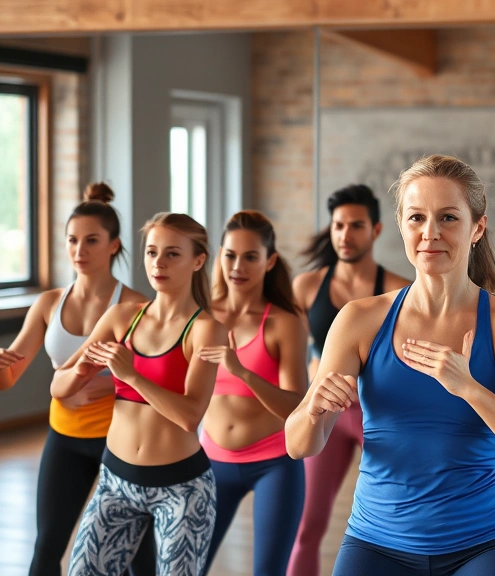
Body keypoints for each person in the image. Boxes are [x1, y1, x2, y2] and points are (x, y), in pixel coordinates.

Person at [285, 154, 495, 576]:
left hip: (488, 543)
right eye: (416, 217)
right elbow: (298, 444)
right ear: (400, 225)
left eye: (448, 218)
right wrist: (314, 409)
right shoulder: (360, 319)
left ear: (478, 228)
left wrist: (471, 388)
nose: (430, 233)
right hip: (376, 542)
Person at [53, 212, 227, 576]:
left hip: (182, 489)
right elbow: (58, 387)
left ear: (198, 260)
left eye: (172, 254)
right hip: (115, 482)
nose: (158, 263)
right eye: (151, 252)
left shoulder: (206, 330)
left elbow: (190, 415)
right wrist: (82, 370)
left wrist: (131, 375)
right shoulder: (121, 317)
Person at [0, 183, 155, 576]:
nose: (79, 251)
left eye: (91, 241)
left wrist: (104, 383)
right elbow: (9, 374)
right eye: (72, 241)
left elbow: (158, 378)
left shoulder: (137, 307)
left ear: (114, 245)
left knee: (139, 554)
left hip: (121, 441)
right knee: (47, 547)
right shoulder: (49, 303)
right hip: (64, 437)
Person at [287, 184, 409, 576]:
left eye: (356, 226)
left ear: (375, 230)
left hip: (380, 414)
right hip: (328, 416)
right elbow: (294, 352)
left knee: (402, 522)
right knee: (308, 524)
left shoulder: (397, 290)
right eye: (339, 225)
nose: (345, 234)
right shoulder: (307, 287)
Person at [198, 211, 309, 575]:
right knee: (189, 566)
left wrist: (242, 371)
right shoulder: (202, 316)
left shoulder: (284, 322)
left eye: (250, 257)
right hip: (212, 461)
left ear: (270, 260)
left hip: (274, 464)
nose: (238, 266)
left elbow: (297, 406)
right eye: (230, 255)